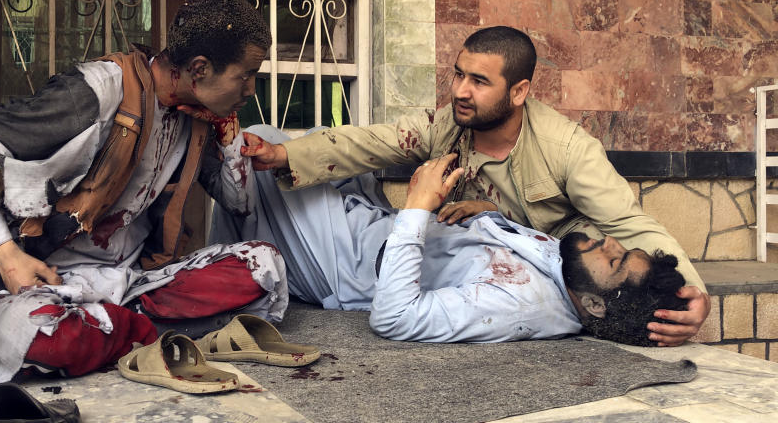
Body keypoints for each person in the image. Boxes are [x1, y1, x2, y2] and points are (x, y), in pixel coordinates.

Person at [240, 26, 709, 346]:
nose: (461, 90)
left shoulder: (568, 150)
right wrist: (284, 156)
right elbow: (377, 142)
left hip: (469, 274)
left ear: (519, 91)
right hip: (444, 251)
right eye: (459, 74)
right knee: (301, 155)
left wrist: (691, 293)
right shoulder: (452, 122)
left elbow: (627, 223)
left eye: (479, 81)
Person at [0, 0, 288, 382]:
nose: (250, 90)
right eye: (246, 75)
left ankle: (115, 329)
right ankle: (153, 335)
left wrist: (229, 141)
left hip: (135, 284)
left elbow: (238, 205)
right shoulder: (99, 90)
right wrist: (6, 257)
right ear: (200, 68)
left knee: (264, 266)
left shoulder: (197, 116)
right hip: (50, 284)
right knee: (36, 332)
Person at [211, 130, 686, 345]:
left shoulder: (514, 308)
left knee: (258, 147)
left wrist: (419, 207)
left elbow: (394, 317)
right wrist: (491, 217)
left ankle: (232, 252)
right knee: (305, 147)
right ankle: (244, 234)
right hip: (382, 224)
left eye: (616, 261)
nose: (608, 243)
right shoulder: (570, 275)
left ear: (598, 306)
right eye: (620, 246)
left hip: (348, 261)